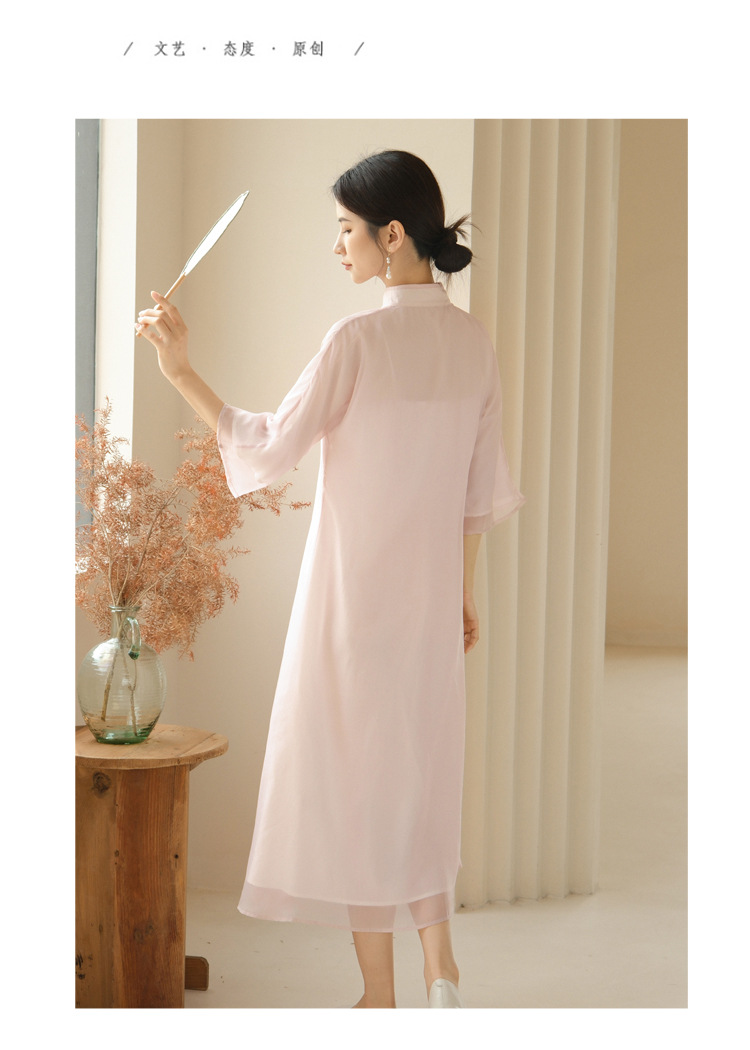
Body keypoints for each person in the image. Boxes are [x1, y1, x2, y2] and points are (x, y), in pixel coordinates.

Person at [135, 149, 525, 1009]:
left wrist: (180, 370)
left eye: (346, 229)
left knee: (358, 787)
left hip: (351, 604)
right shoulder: (471, 343)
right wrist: (463, 592)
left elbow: (269, 446)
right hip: (430, 603)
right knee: (420, 777)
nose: (336, 244)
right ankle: (442, 972)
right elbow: (478, 492)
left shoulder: (356, 341)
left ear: (392, 235)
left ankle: (379, 998)